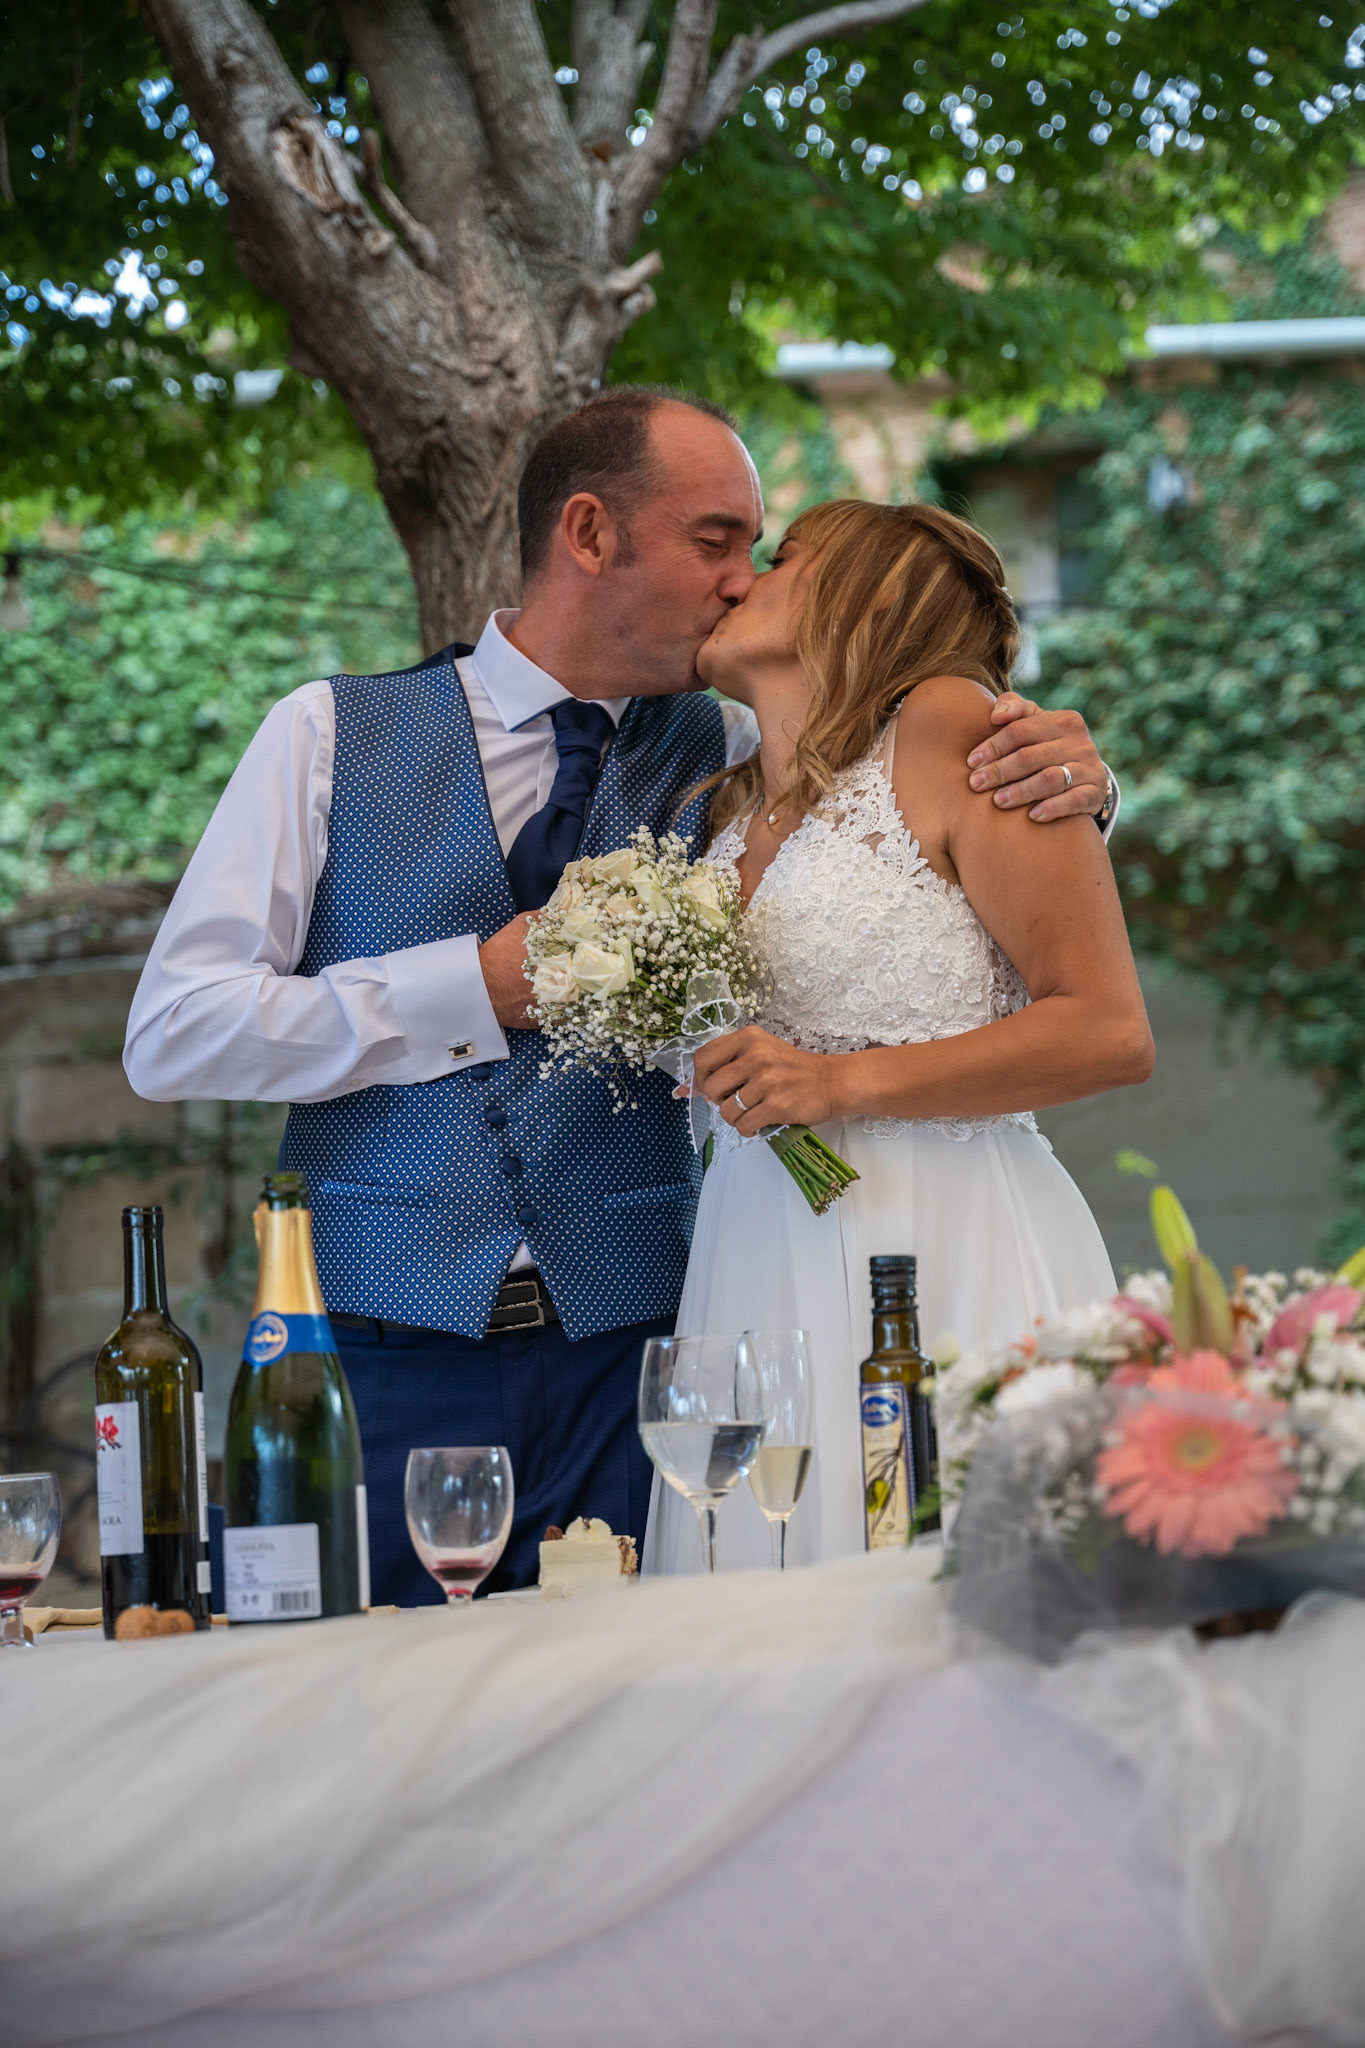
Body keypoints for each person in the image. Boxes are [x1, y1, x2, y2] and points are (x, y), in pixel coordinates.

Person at [124, 390, 1116, 1603]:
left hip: (646, 1353)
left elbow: (915, 838)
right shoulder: (328, 733)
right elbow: (174, 1031)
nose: (743, 579)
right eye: (716, 540)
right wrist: (471, 986)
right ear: (590, 533)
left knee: (636, 1694)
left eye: (760, 550)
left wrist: (1078, 785)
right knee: (368, 1697)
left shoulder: (736, 748)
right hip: (380, 1353)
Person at [645, 498, 1152, 1575]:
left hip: (942, 1243)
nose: (740, 581)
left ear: (871, 595)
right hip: (757, 1249)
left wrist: (837, 1083)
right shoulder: (730, 798)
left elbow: (1107, 1030)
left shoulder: (951, 724)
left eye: (782, 558)